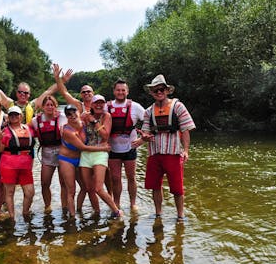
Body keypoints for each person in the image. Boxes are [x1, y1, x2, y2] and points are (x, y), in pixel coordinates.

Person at [140, 74, 196, 221]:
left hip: (173, 153)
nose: (159, 92)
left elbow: (185, 130)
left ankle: (180, 216)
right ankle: (158, 214)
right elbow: (145, 132)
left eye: (162, 89)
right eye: (156, 90)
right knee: (154, 186)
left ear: (167, 90)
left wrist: (186, 150)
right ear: (151, 92)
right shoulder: (148, 112)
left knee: (177, 188)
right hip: (154, 153)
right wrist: (144, 137)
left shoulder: (178, 107)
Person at [57, 104, 110, 218]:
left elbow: (100, 132)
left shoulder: (84, 124)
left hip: (80, 158)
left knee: (85, 187)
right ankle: (72, 217)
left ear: (78, 112)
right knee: (71, 190)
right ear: (66, 116)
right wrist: (103, 148)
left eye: (73, 112)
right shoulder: (67, 131)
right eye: (68, 114)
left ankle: (80, 210)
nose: (72, 115)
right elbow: (83, 147)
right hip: (67, 160)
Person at [0, 64, 72, 124]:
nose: (23, 94)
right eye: (20, 92)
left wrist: (61, 80)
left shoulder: (34, 104)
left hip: (27, 140)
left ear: (29, 95)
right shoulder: (9, 103)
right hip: (12, 140)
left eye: (26, 93)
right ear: (17, 93)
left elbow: (49, 91)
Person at [79, 94, 123, 218]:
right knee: (89, 188)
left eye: (101, 103)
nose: (99, 105)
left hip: (100, 153)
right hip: (86, 153)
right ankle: (97, 213)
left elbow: (105, 136)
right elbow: (78, 132)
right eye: (96, 103)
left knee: (98, 188)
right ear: (91, 104)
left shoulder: (106, 116)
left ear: (104, 104)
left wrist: (94, 121)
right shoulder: (84, 116)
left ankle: (116, 211)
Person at [107, 79, 146, 212]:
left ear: (127, 91)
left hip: (130, 148)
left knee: (131, 177)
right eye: (118, 90)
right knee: (115, 178)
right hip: (112, 149)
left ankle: (132, 203)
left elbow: (150, 121)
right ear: (114, 91)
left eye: (123, 90)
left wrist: (142, 139)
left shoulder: (136, 107)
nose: (120, 92)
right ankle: (116, 204)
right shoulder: (107, 107)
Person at [0, 106, 36, 219]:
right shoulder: (5, 132)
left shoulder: (28, 129)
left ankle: (25, 213)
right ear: (8, 117)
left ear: (21, 116)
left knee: (30, 193)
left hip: (25, 166)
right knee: (10, 192)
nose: (14, 117)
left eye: (16, 114)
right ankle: (12, 217)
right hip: (8, 165)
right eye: (11, 115)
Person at [31, 95, 67, 212]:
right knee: (45, 183)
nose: (50, 107)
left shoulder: (61, 117)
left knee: (63, 183)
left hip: (61, 152)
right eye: (47, 105)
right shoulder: (36, 121)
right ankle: (48, 206)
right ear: (42, 107)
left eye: (52, 105)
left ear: (55, 106)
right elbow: (24, 129)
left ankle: (64, 207)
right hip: (47, 154)